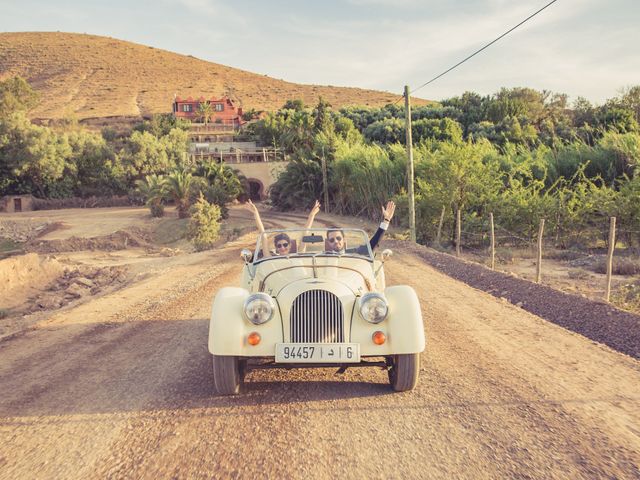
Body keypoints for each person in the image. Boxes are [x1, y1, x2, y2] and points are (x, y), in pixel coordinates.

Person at [244, 199, 321, 257]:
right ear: (276, 248)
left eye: (285, 244)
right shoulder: (271, 259)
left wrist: (312, 215)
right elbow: (263, 235)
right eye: (279, 245)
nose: (282, 247)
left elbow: (305, 233)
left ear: (290, 245)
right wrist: (255, 213)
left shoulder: (297, 257)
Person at [325, 200, 395, 254]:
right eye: (332, 240)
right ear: (328, 242)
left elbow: (373, 244)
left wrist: (386, 220)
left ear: (344, 239)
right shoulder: (322, 257)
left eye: (338, 238)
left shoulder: (355, 252)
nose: (336, 241)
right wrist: (313, 215)